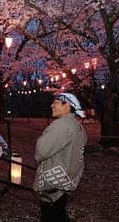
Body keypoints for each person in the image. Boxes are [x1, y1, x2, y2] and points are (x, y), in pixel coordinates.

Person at [33, 93, 87, 222]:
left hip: (55, 180)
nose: (52, 105)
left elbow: (41, 151)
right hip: (68, 178)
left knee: (51, 214)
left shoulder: (61, 125)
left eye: (56, 103)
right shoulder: (77, 125)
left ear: (67, 106)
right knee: (59, 211)